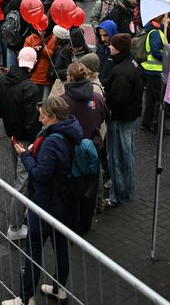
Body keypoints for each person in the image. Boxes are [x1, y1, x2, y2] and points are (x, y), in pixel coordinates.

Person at [4, 97, 82, 305]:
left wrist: (25, 156)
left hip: (46, 205)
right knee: (61, 247)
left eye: (43, 116)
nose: (40, 120)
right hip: (65, 203)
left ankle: (26, 297)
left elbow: (40, 175)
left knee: (33, 252)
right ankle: (59, 289)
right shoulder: (71, 129)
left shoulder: (51, 141)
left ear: (54, 117)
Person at [0, 46, 43, 240]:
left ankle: (21, 216)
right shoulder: (30, 87)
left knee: (19, 178)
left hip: (11, 136)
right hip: (26, 140)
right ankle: (14, 227)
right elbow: (32, 121)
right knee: (22, 182)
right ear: (33, 64)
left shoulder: (3, 80)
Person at [59, 62, 108, 231]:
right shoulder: (97, 98)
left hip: (71, 150)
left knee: (72, 187)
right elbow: (103, 116)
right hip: (93, 146)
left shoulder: (63, 101)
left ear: (70, 78)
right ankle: (93, 212)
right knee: (93, 183)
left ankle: (72, 222)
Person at [102, 35, 142, 208]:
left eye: (112, 45)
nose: (109, 47)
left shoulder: (120, 71)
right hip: (130, 116)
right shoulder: (133, 64)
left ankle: (118, 195)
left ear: (119, 48)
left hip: (119, 118)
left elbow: (118, 99)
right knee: (128, 154)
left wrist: (105, 95)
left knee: (118, 158)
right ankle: (126, 190)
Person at [139, 14, 169, 134]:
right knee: (160, 99)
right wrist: (168, 58)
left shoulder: (155, 31)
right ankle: (157, 124)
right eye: (166, 18)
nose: (169, 20)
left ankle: (146, 122)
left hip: (151, 70)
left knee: (151, 97)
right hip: (156, 70)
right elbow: (156, 51)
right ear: (160, 19)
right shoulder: (156, 33)